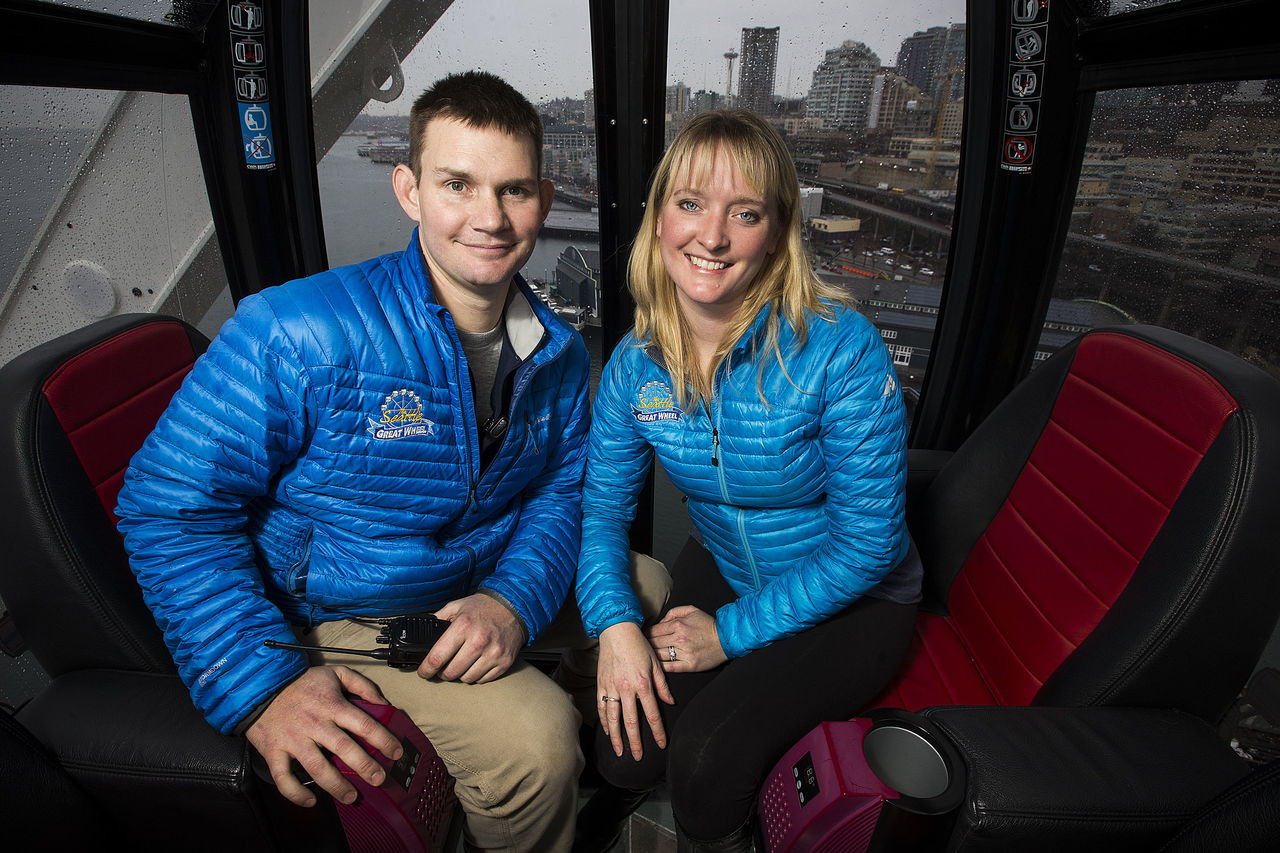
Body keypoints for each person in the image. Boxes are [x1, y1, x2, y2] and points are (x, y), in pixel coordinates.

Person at [117, 71, 591, 852]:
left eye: (513, 190)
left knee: (646, 584)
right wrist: (260, 687)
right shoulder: (297, 330)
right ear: (408, 190)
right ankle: (527, 810)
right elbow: (169, 506)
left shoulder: (560, 352)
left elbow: (558, 492)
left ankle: (573, 758)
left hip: (465, 577)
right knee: (537, 744)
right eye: (458, 184)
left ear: (542, 197)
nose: (489, 218)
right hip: (334, 608)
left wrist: (510, 601)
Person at [572, 110, 923, 852]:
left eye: (746, 212)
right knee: (624, 748)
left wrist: (727, 635)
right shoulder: (637, 364)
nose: (713, 237)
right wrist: (615, 626)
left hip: (858, 602)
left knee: (703, 765)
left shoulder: (838, 349)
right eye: (691, 203)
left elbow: (869, 547)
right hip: (732, 567)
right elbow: (602, 511)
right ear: (660, 217)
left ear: (777, 230)